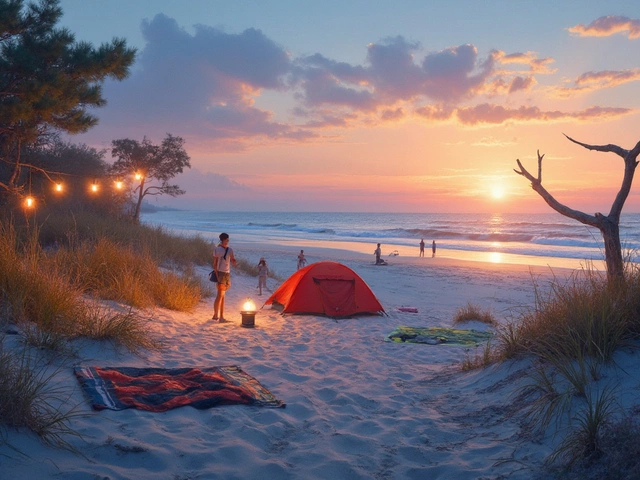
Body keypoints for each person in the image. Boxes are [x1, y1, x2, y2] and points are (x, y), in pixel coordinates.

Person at [212, 232, 237, 322]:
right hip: (221, 272)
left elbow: (232, 258)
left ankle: (221, 315)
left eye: (228, 240)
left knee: (223, 295)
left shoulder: (230, 249)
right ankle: (216, 315)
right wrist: (216, 273)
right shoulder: (217, 249)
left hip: (227, 273)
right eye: (226, 240)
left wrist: (234, 261)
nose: (228, 241)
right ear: (223, 240)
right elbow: (214, 263)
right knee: (220, 295)